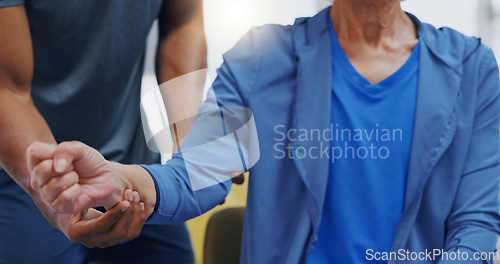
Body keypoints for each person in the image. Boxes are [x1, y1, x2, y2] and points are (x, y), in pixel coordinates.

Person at [29, 0, 500, 263]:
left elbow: (475, 226)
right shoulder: (262, 60)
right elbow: (197, 173)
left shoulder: (473, 70)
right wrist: (120, 180)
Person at [0, 0, 207, 263]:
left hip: (134, 168)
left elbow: (182, 22)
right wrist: (54, 195)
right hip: (26, 172)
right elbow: (7, 91)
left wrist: (191, 139)